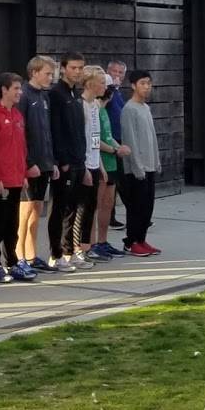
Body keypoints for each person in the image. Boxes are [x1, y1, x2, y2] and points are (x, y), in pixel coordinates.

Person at [0, 73, 31, 282]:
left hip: (16, 178)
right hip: (1, 179)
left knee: (13, 223)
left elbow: (22, 148)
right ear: (4, 89)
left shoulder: (18, 115)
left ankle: (12, 260)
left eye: (20, 89)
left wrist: (24, 174)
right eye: (15, 89)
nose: (19, 92)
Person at [49, 53, 91, 272]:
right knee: (60, 209)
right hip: (65, 163)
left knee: (73, 209)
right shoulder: (56, 94)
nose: (77, 71)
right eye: (73, 67)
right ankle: (56, 254)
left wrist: (81, 161)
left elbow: (79, 131)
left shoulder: (76, 94)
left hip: (78, 161)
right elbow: (56, 130)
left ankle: (69, 251)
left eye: (80, 68)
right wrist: (62, 160)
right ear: (63, 69)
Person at [16, 55, 56, 275]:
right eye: (47, 73)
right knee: (26, 209)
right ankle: (19, 255)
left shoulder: (43, 96)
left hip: (45, 161)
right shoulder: (24, 95)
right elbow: (21, 131)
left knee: (37, 209)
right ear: (34, 73)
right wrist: (27, 162)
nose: (51, 78)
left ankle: (31, 254)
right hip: (30, 163)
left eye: (52, 74)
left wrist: (52, 161)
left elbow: (46, 131)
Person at [120, 70, 161, 256]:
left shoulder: (145, 108)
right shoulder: (129, 109)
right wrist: (137, 166)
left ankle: (142, 239)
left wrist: (157, 160)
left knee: (147, 206)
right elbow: (130, 140)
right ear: (133, 85)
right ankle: (131, 241)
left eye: (149, 83)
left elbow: (152, 137)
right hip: (137, 168)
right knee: (136, 206)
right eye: (143, 83)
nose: (146, 87)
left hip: (149, 165)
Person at [90, 81, 129, 260]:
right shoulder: (95, 110)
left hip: (111, 162)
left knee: (108, 204)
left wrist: (118, 147)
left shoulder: (104, 110)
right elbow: (95, 141)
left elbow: (107, 136)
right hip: (102, 163)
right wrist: (114, 150)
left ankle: (103, 241)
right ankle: (91, 244)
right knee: (95, 206)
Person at [75, 66, 110, 265]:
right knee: (81, 207)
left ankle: (87, 247)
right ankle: (76, 247)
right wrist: (85, 166)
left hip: (96, 162)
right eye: (102, 82)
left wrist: (101, 165)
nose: (104, 87)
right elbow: (82, 139)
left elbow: (95, 138)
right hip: (85, 163)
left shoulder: (96, 106)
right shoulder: (81, 106)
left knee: (91, 207)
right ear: (90, 83)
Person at [105, 60, 129, 230]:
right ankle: (110, 217)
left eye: (120, 73)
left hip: (119, 138)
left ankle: (128, 213)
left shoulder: (119, 93)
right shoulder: (109, 92)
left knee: (120, 179)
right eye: (114, 71)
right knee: (113, 179)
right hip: (109, 139)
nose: (117, 75)